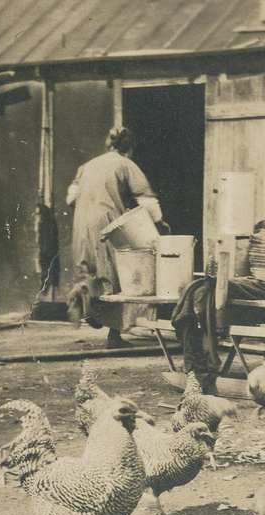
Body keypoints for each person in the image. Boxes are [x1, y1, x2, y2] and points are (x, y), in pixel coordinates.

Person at [66, 126, 166, 348]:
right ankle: (114, 335)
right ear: (129, 148)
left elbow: (70, 198)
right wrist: (159, 223)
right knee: (115, 276)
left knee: (88, 269)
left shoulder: (87, 166)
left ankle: (86, 303)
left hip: (82, 224)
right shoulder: (126, 165)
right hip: (109, 223)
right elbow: (146, 199)